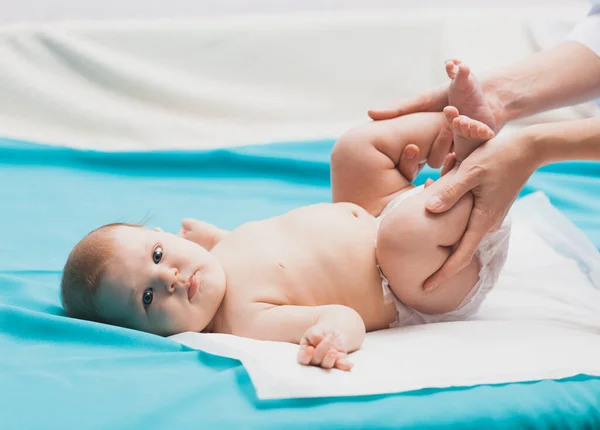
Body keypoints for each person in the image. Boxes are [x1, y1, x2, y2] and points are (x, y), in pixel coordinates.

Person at [60, 62, 510, 371]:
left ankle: (452, 128)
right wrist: (330, 336)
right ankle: (473, 171)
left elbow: (265, 251)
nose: (171, 278)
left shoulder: (218, 255)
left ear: (162, 235)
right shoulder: (245, 320)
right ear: (149, 334)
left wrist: (217, 237)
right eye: (147, 299)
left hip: (381, 213)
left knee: (352, 152)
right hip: (427, 276)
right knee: (401, 236)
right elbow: (341, 315)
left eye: (158, 255)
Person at [368, 6, 600, 291]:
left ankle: (465, 167)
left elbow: (337, 319)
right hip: (358, 233)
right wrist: (498, 97)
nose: (427, 183)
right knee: (354, 149)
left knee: (409, 234)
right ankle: (464, 151)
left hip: (390, 272)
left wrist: (532, 147)